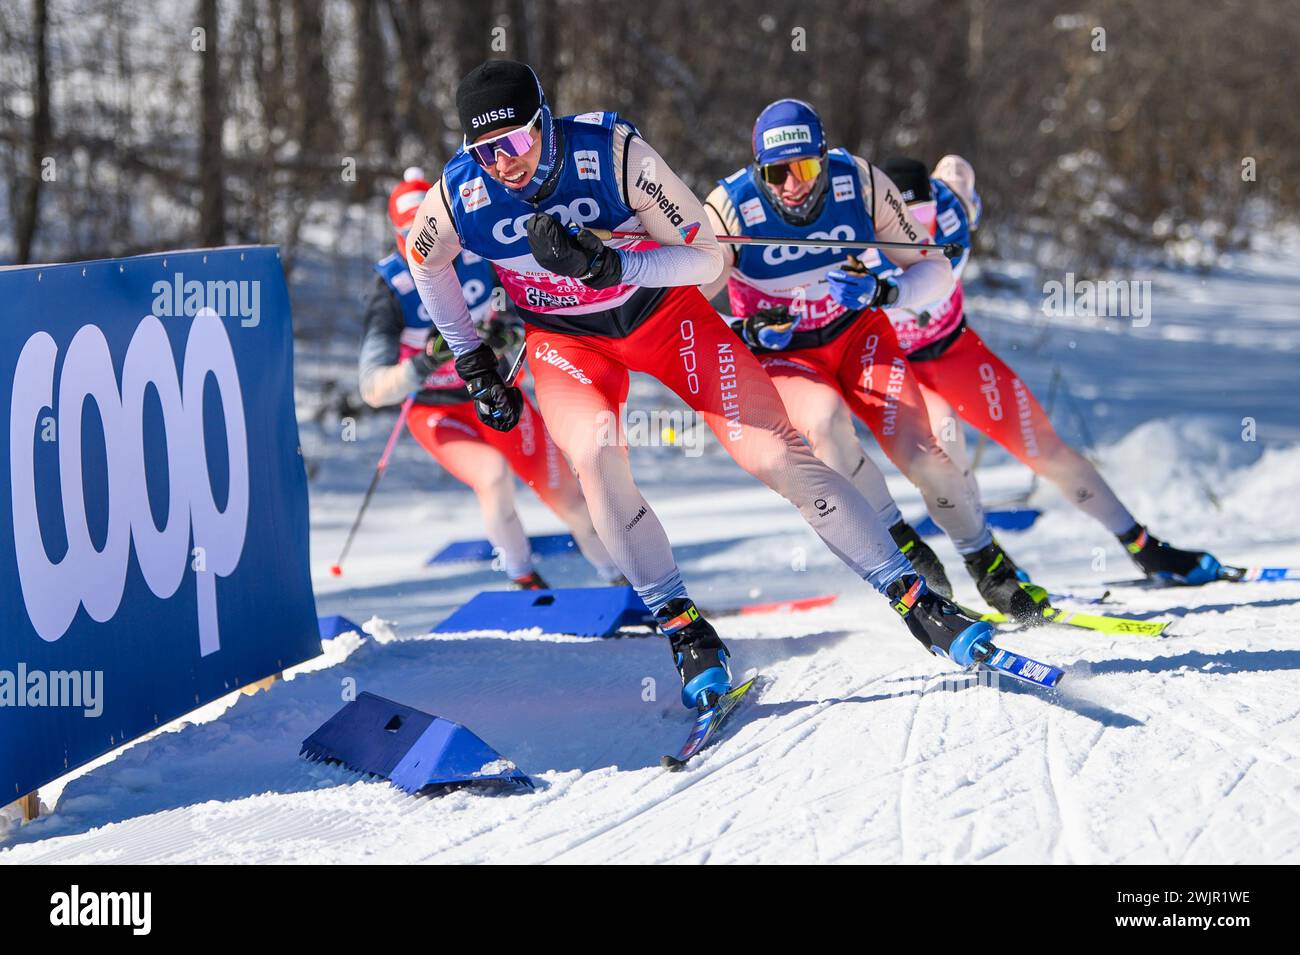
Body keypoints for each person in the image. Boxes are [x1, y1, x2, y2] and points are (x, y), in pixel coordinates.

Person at [405, 60, 1000, 711]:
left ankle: (914, 598)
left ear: (544, 121)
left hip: (663, 317)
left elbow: (709, 255)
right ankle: (685, 630)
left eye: (517, 142)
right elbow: (423, 261)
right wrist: (472, 357)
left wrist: (613, 263)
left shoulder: (611, 155)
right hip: (568, 342)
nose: (506, 164)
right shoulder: (460, 195)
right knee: (596, 462)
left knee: (778, 455)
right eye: (487, 151)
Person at [700, 99, 1052, 622]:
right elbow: (682, 310)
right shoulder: (731, 207)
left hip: (858, 334)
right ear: (758, 171)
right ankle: (901, 541)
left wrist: (883, 292)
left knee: (924, 452)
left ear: (824, 157)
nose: (792, 185)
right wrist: (745, 328)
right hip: (788, 356)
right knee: (824, 425)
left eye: (806, 167)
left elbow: (931, 271)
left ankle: (987, 561)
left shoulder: (862, 184)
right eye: (777, 173)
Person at [871, 154, 1226, 585]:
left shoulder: (950, 210)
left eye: (923, 215)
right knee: (947, 439)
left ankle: (1144, 547)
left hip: (955, 351)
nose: (917, 231)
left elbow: (957, 168)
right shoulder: (855, 238)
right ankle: (988, 561)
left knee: (1043, 446)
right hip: (899, 366)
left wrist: (969, 198)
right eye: (904, 221)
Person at [359, 167, 622, 589]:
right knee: (493, 475)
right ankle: (524, 578)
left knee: (570, 499)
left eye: (430, 229)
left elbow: (532, 303)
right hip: (436, 411)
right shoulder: (391, 286)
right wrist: (425, 362)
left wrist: (510, 332)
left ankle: (622, 581)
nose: (424, 244)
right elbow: (372, 389)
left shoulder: (479, 251)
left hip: (497, 396)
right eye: (410, 235)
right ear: (396, 236)